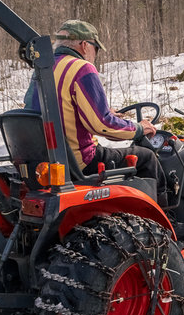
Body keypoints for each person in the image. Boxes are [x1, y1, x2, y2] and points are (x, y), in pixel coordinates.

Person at [24, 19, 169, 204]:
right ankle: (167, 220)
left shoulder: (43, 69)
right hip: (79, 162)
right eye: (96, 48)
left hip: (46, 160)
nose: (96, 55)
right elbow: (102, 125)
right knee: (147, 157)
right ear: (84, 45)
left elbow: (55, 108)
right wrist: (139, 128)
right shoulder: (82, 68)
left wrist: (105, 111)